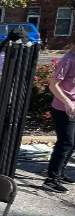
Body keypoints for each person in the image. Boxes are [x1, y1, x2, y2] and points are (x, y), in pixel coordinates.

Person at [44, 43, 75, 192]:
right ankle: (51, 179)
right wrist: (67, 101)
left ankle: (60, 173)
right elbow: (53, 85)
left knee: (72, 143)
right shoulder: (69, 59)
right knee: (66, 142)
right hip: (63, 108)